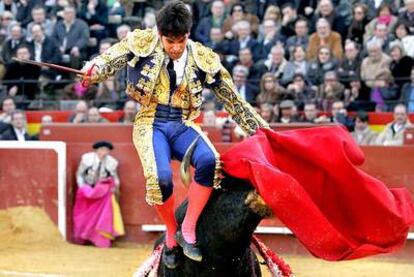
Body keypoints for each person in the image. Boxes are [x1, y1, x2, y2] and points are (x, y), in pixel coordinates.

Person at [82, 1, 268, 268]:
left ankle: (188, 229)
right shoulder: (142, 42)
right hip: (150, 123)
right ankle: (171, 233)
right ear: (160, 34)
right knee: (160, 179)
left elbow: (234, 101)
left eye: (181, 41)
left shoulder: (202, 57)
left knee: (210, 162)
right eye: (170, 41)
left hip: (183, 123)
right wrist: (94, 70)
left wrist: (263, 132)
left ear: (188, 35)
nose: (176, 47)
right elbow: (109, 60)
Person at [73, 140, 124, 247]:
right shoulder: (86, 159)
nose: (104, 152)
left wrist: (114, 189)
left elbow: (115, 179)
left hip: (102, 193)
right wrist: (82, 188)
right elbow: (79, 174)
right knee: (83, 215)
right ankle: (83, 238)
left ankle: (98, 239)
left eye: (106, 150)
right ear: (96, 150)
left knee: (102, 216)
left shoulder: (112, 162)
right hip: (88, 188)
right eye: (102, 150)